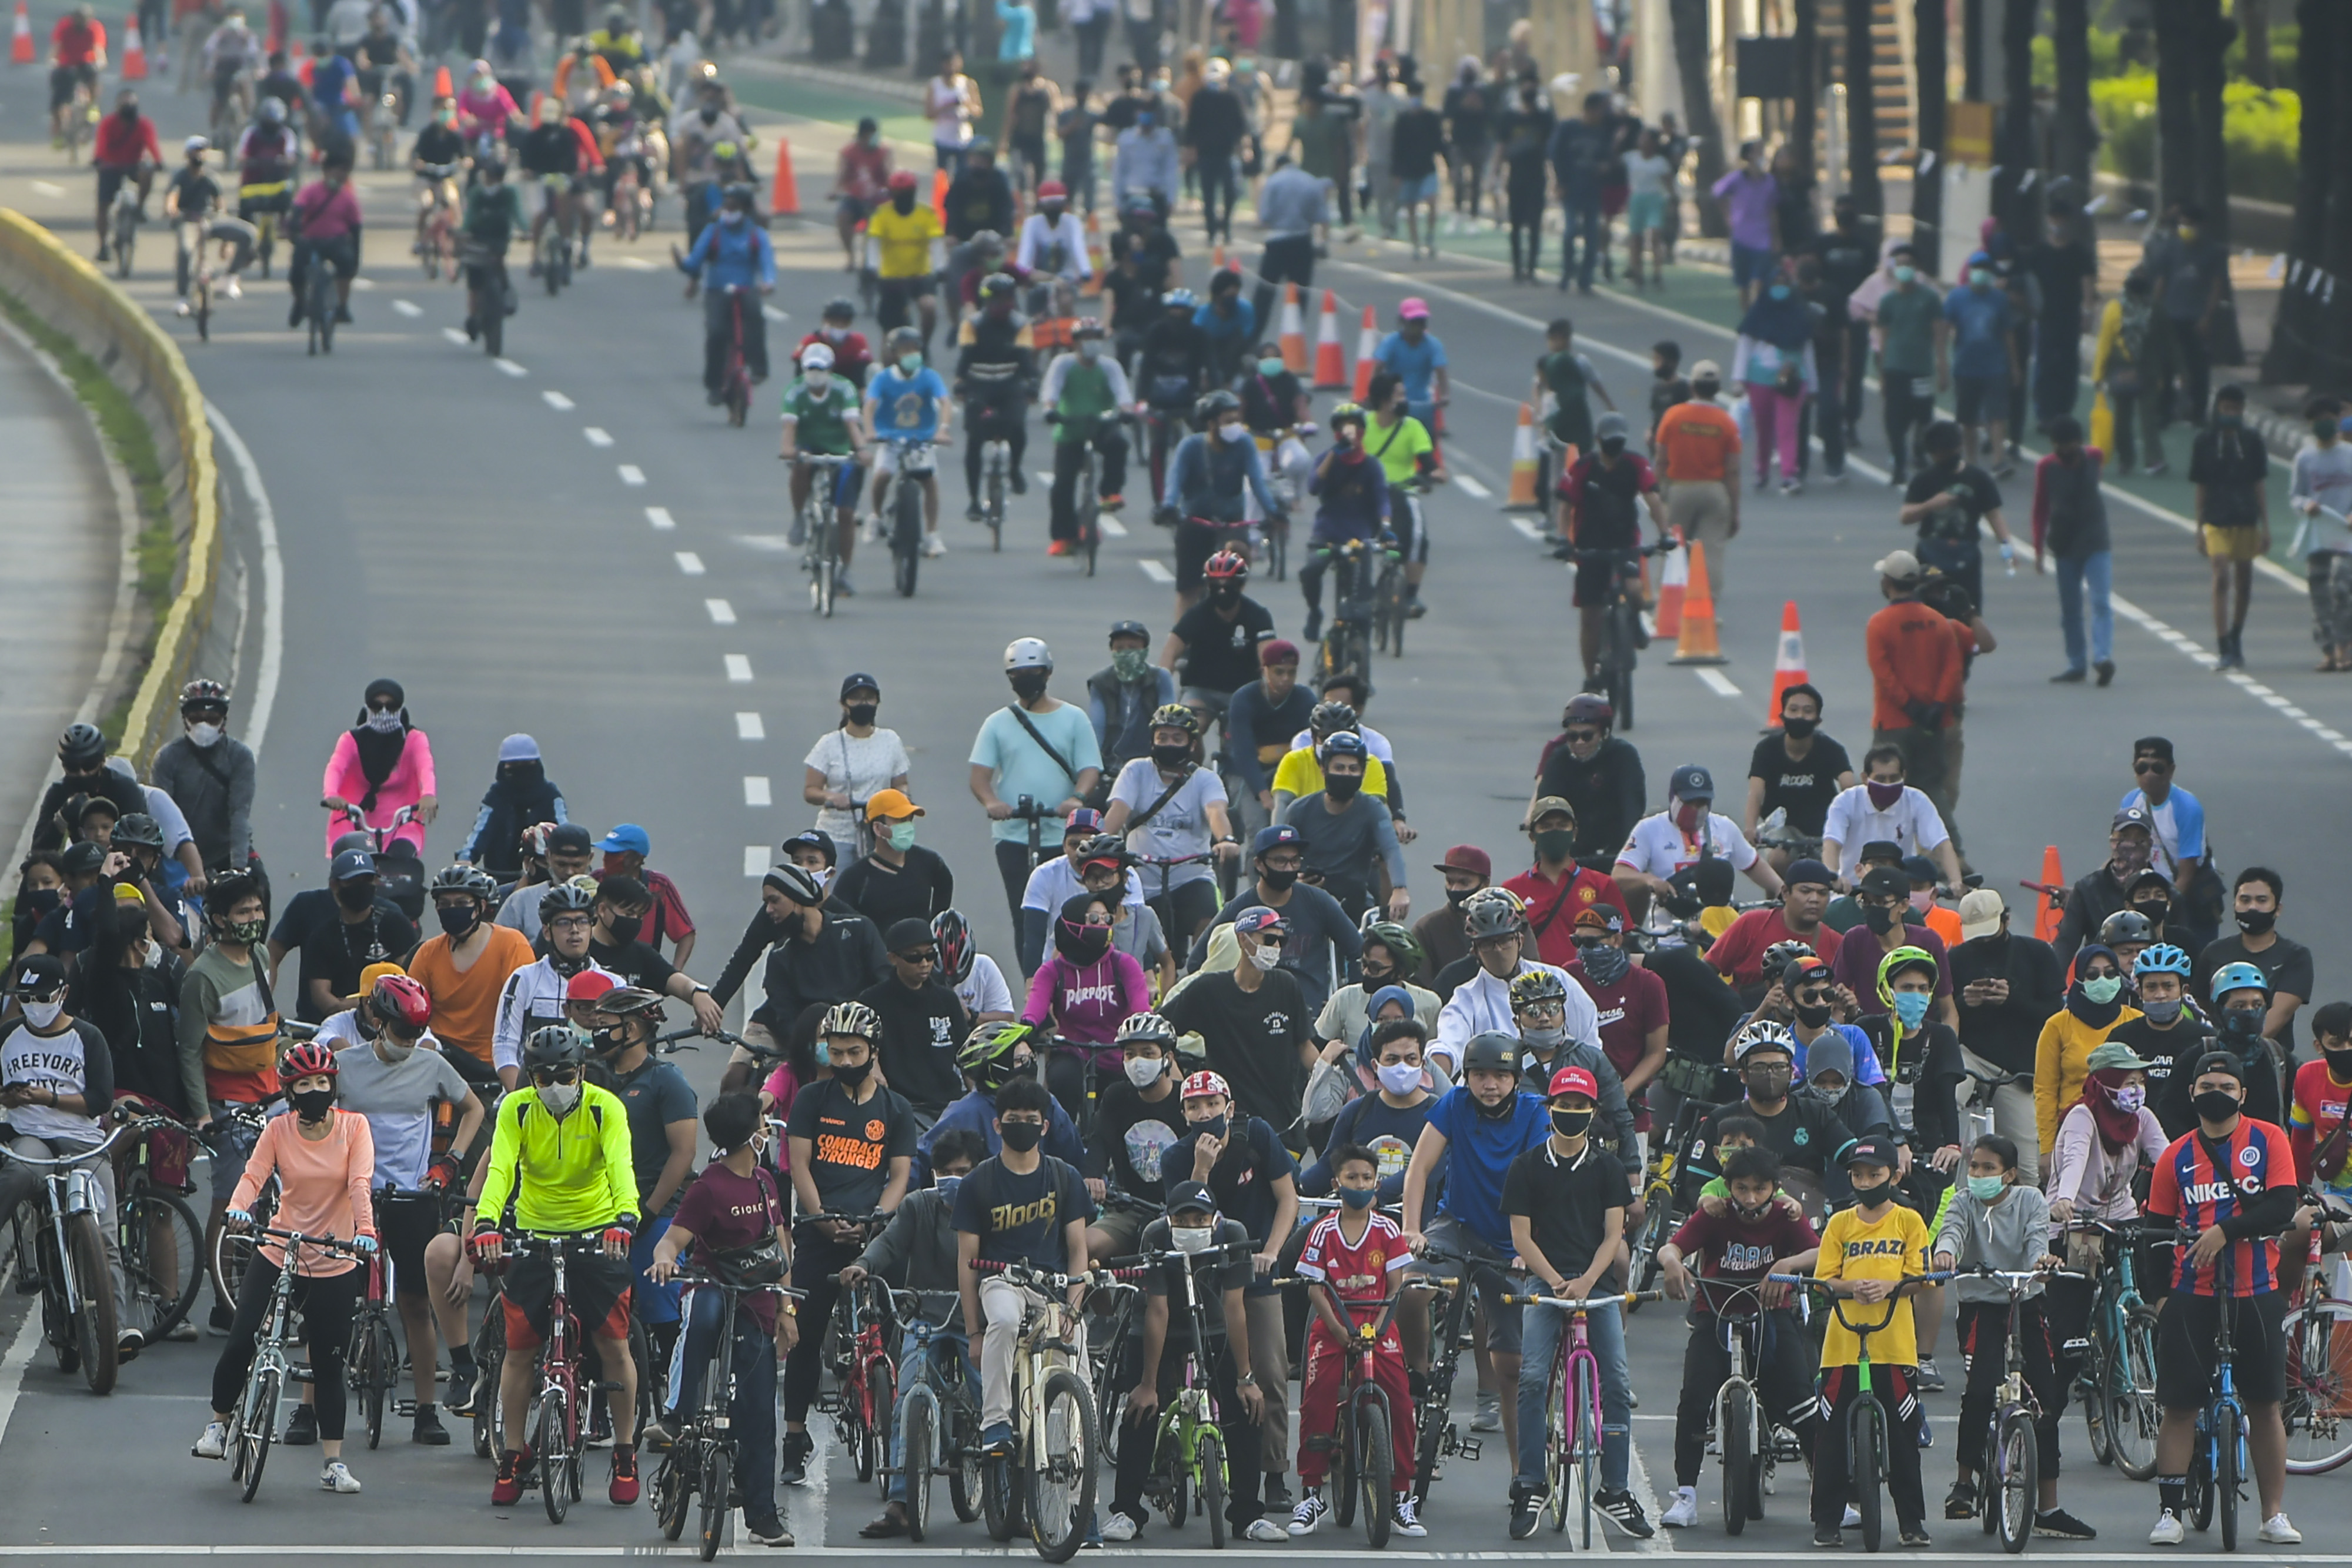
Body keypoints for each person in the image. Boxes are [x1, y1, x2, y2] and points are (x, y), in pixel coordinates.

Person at [469, 1025, 646, 1505]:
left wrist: (626, 1216)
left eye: (564, 1075)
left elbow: (620, 1166)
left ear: (582, 1071)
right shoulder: (517, 1107)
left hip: (599, 1230)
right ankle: (511, 1453)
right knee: (520, 1349)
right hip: (534, 1233)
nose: (553, 1084)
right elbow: (502, 1168)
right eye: (543, 1076)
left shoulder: (606, 1107)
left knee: (613, 1344)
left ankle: (625, 1450)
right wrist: (487, 1220)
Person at [191, 1040, 374, 1495]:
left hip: (334, 1257)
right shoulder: (278, 1130)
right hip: (279, 1248)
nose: (316, 1089)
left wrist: (365, 1229)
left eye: (322, 1082)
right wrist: (237, 1207)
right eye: (304, 1084)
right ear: (290, 1093)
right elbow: (253, 1176)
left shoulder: (355, 1128)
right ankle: (218, 1424)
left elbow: (359, 1182)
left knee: (330, 1365)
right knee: (241, 1338)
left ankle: (333, 1462)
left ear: (333, 1084)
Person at [2142, 1050, 2303, 1546]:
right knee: (2180, 1404)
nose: (2216, 1092)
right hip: (2192, 1292)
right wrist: (2160, 1298)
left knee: (2265, 1403)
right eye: (2207, 1084)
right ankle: (2170, 1512)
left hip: (2257, 1288)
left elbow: (2282, 1205)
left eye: (2226, 1086)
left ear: (2243, 1095)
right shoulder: (2175, 1155)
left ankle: (2273, 1513)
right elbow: (2157, 1230)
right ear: (2191, 1093)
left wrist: (2224, 1231)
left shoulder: (2268, 1138)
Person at [327, 974, 484, 1445]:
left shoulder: (431, 1064)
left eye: (417, 1034)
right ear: (378, 1021)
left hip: (412, 1196)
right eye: (401, 1033)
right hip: (352, 1197)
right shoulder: (344, 1066)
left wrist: (450, 1162)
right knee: (330, 1304)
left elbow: (474, 1108)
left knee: (417, 1302)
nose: (409, 1043)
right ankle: (310, 1410)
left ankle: (425, 1411)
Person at [1498, 1064, 1649, 1537]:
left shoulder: (1607, 1168)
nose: (1570, 1113)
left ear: (1593, 1111)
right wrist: (1555, 1280)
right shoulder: (1525, 1167)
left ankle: (1616, 1490)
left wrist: (1587, 1280)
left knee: (1618, 1382)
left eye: (1580, 1106)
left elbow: (1613, 1235)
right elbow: (1520, 1238)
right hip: (1546, 1285)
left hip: (1597, 1286)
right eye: (1562, 1105)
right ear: (1550, 1109)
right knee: (1532, 1377)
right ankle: (1530, 1483)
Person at [643, 1092, 796, 1547]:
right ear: (751, 1135)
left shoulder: (767, 1182)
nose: (768, 1129)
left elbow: (781, 1249)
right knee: (702, 1314)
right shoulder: (708, 1186)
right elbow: (669, 1242)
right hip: (714, 1286)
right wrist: (666, 1260)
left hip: (759, 1302)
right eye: (763, 1123)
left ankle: (763, 1516)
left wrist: (788, 1311)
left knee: (759, 1413)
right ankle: (677, 1415)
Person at [777, 1001, 916, 1485]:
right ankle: (794, 1438)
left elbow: (900, 1174)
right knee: (806, 1334)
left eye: (854, 1051)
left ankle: (899, 1432)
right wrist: (819, 1220)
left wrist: (880, 1218)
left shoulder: (896, 1109)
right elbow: (800, 1166)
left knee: (896, 1331)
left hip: (876, 1233)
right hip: (820, 1230)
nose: (844, 1060)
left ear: (873, 1051)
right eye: (835, 1051)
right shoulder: (812, 1099)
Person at [1653, 1144, 1822, 1529]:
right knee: (1695, 1397)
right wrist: (1672, 1264)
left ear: (1774, 1187)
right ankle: (1687, 1494)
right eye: (1741, 1188)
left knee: (1800, 1399)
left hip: (1771, 1312)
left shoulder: (1785, 1214)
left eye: (1759, 1189)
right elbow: (1672, 1246)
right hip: (1715, 1310)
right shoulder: (1715, 1212)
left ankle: (1829, 1494)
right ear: (1727, 1186)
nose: (1750, 1198)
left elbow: (1819, 1251)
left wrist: (1786, 1263)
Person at [1931, 1135, 2092, 1534]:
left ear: (2010, 1174)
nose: (1980, 1175)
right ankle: (1965, 1483)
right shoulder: (1963, 1201)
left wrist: (2042, 1259)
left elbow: (2038, 1236)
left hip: (2027, 1299)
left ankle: (2049, 1508)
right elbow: (1951, 1231)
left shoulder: (2030, 1200)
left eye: (1989, 1168)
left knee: (2048, 1397)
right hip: (1981, 1305)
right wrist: (1945, 1252)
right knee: (1981, 1388)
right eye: (1975, 1167)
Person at [1801, 1134, 1935, 1546]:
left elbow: (1921, 1277)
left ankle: (1911, 1521)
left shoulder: (1909, 1221)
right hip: (1843, 1345)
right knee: (1831, 1434)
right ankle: (1827, 1520)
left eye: (1874, 1174)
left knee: (1903, 1434)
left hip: (1893, 1345)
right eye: (1858, 1175)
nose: (1865, 1181)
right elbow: (1825, 1280)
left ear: (1893, 1175)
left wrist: (1888, 1285)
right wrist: (1849, 1286)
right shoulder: (1840, 1223)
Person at [2, 954, 137, 1359]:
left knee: (107, 1233)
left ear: (63, 994)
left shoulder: (87, 1037)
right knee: (20, 1170)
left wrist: (48, 1097)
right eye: (25, 997)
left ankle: (116, 1327)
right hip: (31, 1136)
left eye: (41, 996)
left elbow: (99, 1097)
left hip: (83, 1140)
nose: (33, 1005)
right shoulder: (8, 1036)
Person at [953, 1072, 1095, 1452]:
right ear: (998, 1124)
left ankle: (1082, 1489)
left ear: (1045, 1125)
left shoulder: (1066, 1178)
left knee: (1079, 1369)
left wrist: (1074, 1308)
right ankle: (995, 1423)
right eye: (1013, 1118)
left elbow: (1078, 1249)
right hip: (1001, 1280)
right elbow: (967, 1261)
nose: (1023, 1125)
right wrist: (973, 1333)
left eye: (1032, 1119)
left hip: (1052, 1287)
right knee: (1003, 1318)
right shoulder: (977, 1183)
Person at [1286, 1145, 1421, 1538]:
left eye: (1367, 1177)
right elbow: (1314, 1288)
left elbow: (1395, 1287)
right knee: (1317, 1396)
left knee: (1400, 1398)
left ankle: (1399, 1496)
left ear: (1377, 1183)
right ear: (1336, 1183)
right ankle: (1312, 1491)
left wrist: (1378, 1327)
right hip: (1334, 1322)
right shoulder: (1323, 1230)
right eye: (1351, 1178)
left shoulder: (1387, 1229)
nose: (1360, 1184)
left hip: (1378, 1323)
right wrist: (1337, 1326)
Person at [968, 637, 1105, 925]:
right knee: (1024, 912)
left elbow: (1090, 769)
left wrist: (1076, 799)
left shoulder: (1074, 718)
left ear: (1048, 673)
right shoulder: (998, 723)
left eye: (1033, 673)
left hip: (1065, 835)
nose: (1025, 680)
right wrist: (992, 802)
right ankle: (1030, 970)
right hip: (1013, 834)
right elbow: (980, 776)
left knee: (1072, 909)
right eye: (1017, 675)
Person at [1190, 825, 1361, 1015]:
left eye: (1295, 861)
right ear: (1259, 864)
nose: (1289, 868)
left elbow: (1358, 951)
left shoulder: (1319, 901)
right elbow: (1197, 962)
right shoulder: (1238, 909)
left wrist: (1346, 1002)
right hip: (1252, 1012)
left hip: (1310, 1013)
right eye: (1280, 861)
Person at [1101, 703, 1237, 944]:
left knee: (1212, 927)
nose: (1169, 744)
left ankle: (1202, 977)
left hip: (1193, 878)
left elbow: (1216, 811)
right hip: (1141, 879)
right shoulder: (1136, 771)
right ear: (1152, 741)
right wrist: (1100, 841)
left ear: (1192, 744)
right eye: (1162, 737)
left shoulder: (1205, 779)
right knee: (1122, 934)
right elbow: (1119, 810)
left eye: (1177, 738)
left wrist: (1225, 840)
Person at [269, 848, 418, 1025]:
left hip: (390, 1027)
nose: (361, 886)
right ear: (335, 886)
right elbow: (324, 1001)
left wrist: (353, 1004)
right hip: (335, 1027)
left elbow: (412, 983)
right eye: (353, 881)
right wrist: (376, 1002)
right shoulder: (322, 936)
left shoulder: (395, 923)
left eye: (367, 880)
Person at [2032, 944, 2141, 1165]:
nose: (2102, 980)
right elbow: (2045, 1090)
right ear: (2080, 979)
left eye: (2110, 973)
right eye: (2092, 974)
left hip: (2126, 1135)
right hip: (2073, 1132)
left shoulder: (2136, 1021)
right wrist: (2047, 1149)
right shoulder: (2057, 1025)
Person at [2190, 383, 2271, 670]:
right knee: (2221, 573)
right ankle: (2223, 641)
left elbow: (2258, 484)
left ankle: (2237, 633)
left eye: (2236, 409)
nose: (2231, 414)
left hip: (2246, 516)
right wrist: (2199, 527)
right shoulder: (2205, 442)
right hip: (2216, 518)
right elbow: (2201, 486)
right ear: (2218, 409)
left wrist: (2266, 526)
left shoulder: (2252, 441)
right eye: (2226, 408)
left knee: (2245, 580)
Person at [149, 679, 256, 893]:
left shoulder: (240, 756)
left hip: (225, 854)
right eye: (196, 719)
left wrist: (238, 869)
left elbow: (239, 814)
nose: (204, 725)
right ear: (185, 720)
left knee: (259, 892)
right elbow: (163, 818)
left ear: (223, 720)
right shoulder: (168, 758)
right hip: (180, 858)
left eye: (212, 719)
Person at [2193, 867, 2312, 1055]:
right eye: (2245, 900)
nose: (2252, 907)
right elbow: (2199, 1006)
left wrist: (2238, 1051)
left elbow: (2279, 1014)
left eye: (2262, 900)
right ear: (2235, 905)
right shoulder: (2213, 953)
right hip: (2216, 1060)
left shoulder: (2296, 957)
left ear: (2278, 909)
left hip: (2271, 1060)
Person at [1043, 321, 1134, 554]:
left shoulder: (1109, 367)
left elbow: (1122, 392)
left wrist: (1126, 410)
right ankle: (1064, 537)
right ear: (1075, 342)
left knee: (1119, 443)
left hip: (1101, 424)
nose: (1090, 342)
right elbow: (1051, 389)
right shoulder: (1063, 364)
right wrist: (1051, 409)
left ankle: (1110, 492)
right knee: (1062, 485)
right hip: (1070, 428)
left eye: (1095, 337)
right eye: (1085, 337)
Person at [802, 674, 911, 864]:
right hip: (838, 835)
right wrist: (831, 797)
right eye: (856, 698)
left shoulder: (890, 740)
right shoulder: (829, 744)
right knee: (837, 888)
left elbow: (901, 783)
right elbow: (811, 791)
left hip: (879, 835)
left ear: (877, 702)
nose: (864, 703)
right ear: (845, 704)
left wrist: (901, 800)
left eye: (869, 698)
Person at [833, 790, 954, 934]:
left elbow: (945, 883)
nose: (907, 827)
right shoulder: (855, 878)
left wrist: (936, 927)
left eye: (910, 820)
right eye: (900, 821)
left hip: (922, 954)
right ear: (878, 828)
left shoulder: (928, 862)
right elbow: (838, 922)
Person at [2092, 268, 2171, 475]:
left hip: (2144, 372)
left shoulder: (2153, 311)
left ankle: (2151, 460)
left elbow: (2164, 345)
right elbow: (2105, 343)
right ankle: (2129, 459)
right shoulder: (2117, 310)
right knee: (2124, 423)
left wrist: (2099, 376)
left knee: (2145, 420)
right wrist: (2099, 375)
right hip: (2125, 372)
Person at [1085, 621, 1176, 781]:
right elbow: (1096, 730)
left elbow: (1168, 721)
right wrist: (1092, 767)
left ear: (1145, 650)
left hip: (1151, 765)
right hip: (1111, 767)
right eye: (1119, 649)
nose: (1126, 653)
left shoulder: (1160, 677)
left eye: (1132, 648)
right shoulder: (1100, 682)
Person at [867, 172, 943, 355]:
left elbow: (936, 242)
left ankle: (923, 345)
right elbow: (874, 243)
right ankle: (889, 359)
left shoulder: (925, 214)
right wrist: (873, 267)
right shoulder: (882, 214)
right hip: (891, 277)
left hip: (919, 274)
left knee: (929, 306)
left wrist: (940, 267)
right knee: (891, 327)